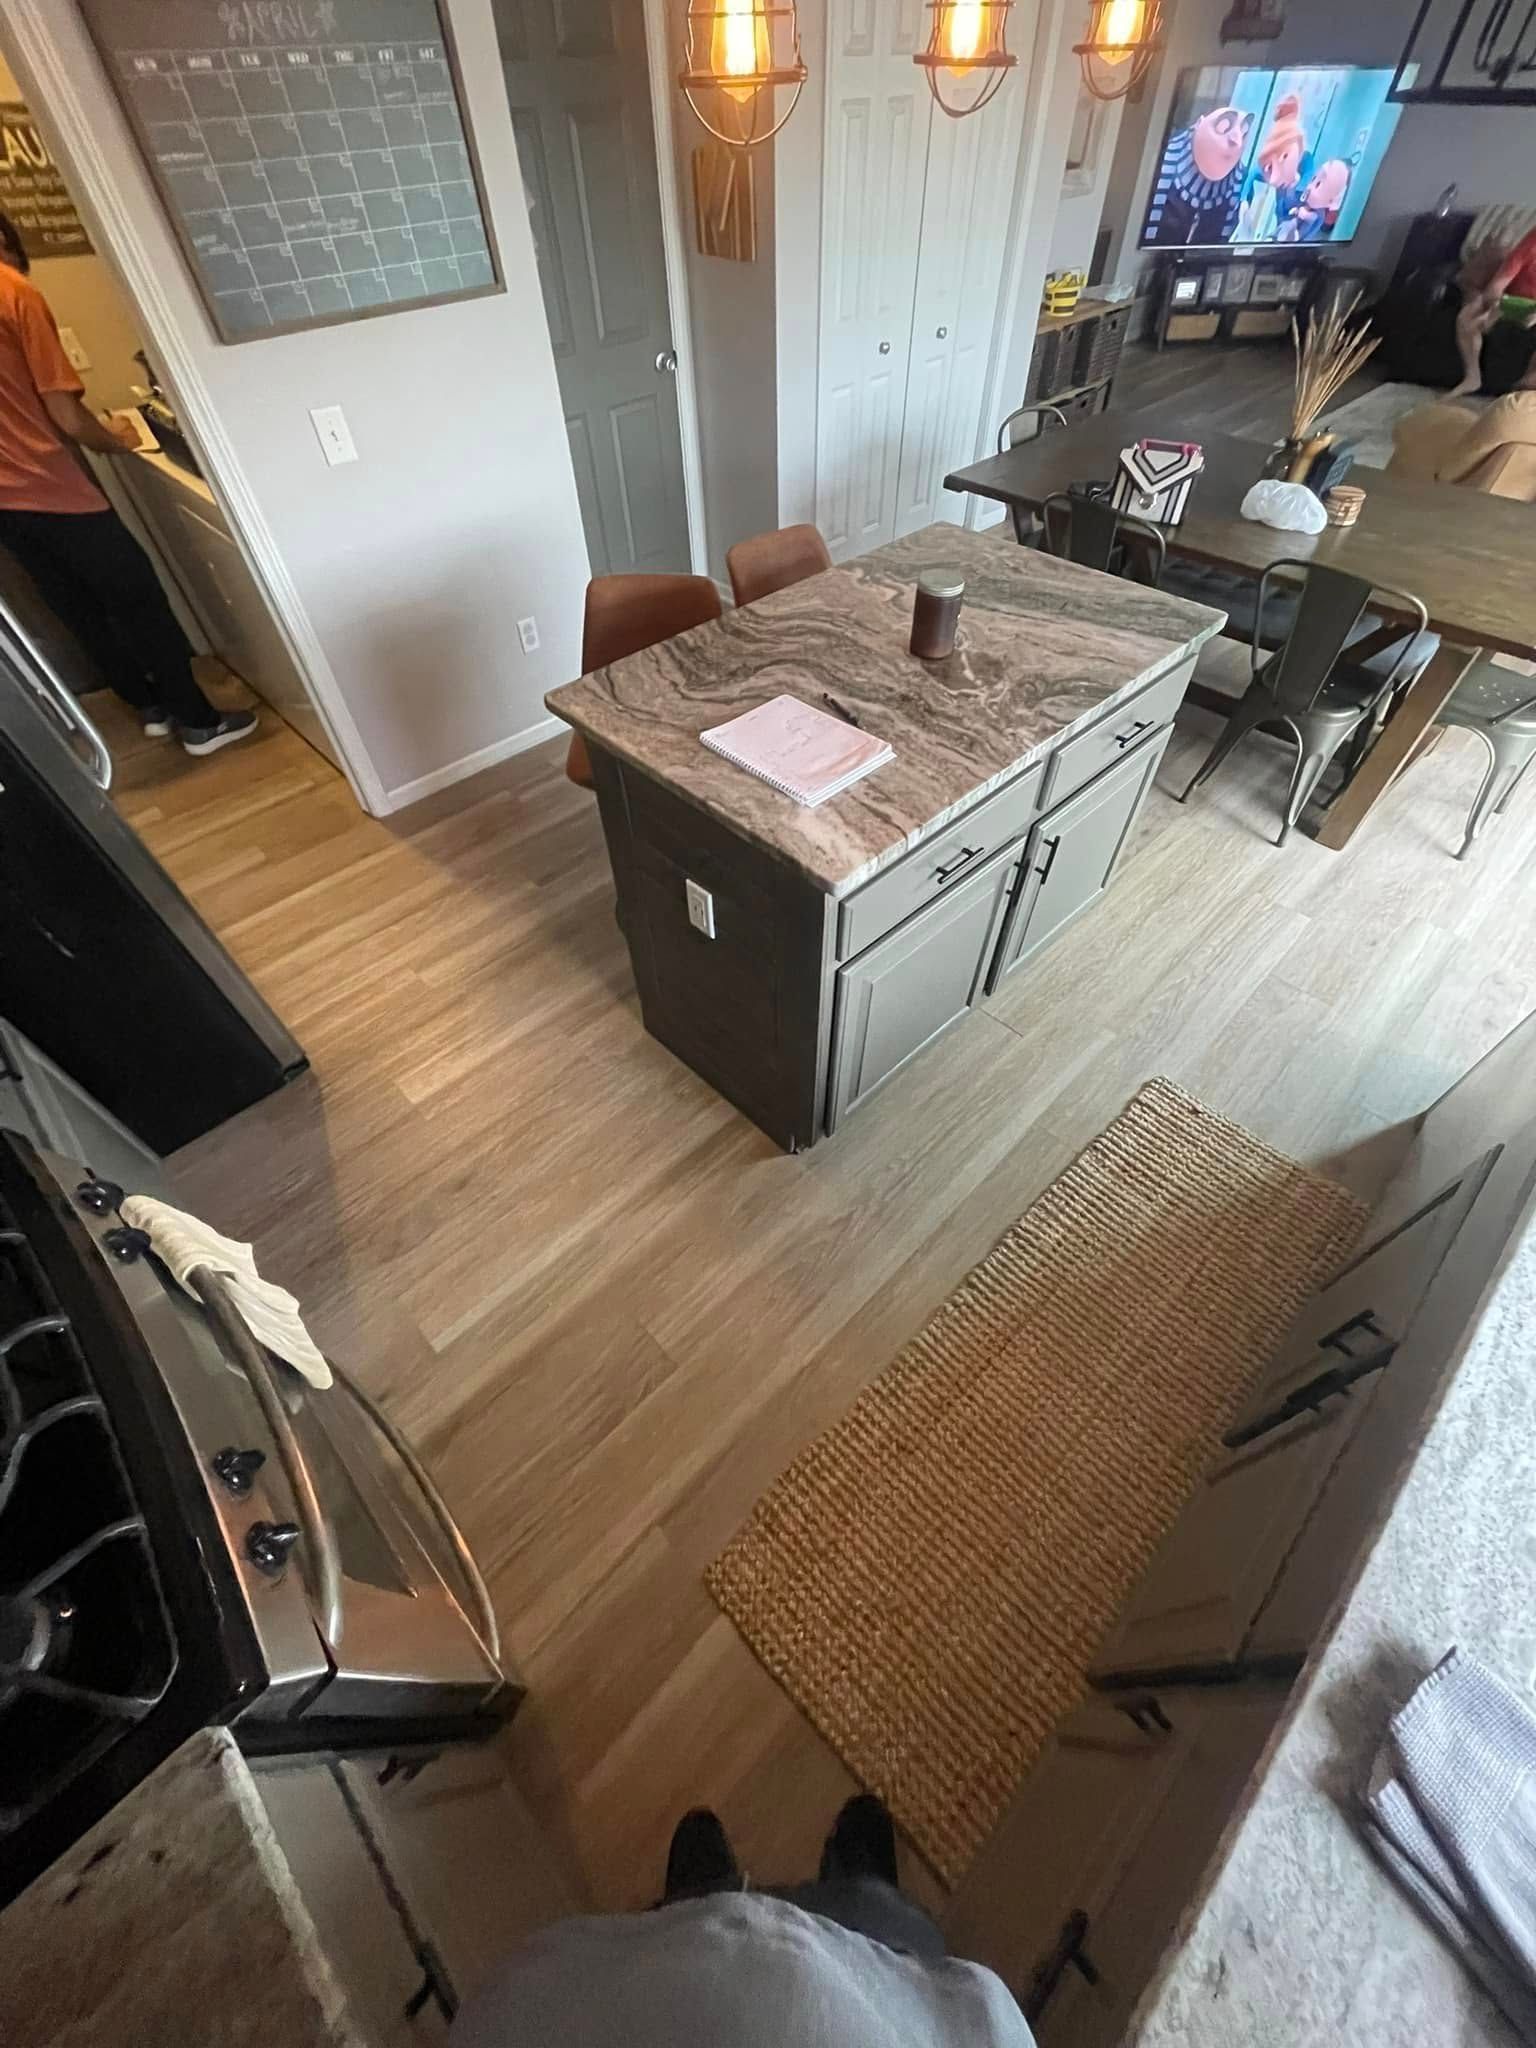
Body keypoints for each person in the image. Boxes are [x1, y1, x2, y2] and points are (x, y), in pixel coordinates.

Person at [451, 1795, 1034, 2045]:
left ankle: (705, 1898)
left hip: (658, 1971)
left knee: (681, 1924)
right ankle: (846, 1882)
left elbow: (515, 1992)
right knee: (888, 1917)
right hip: (878, 1974)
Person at [0, 208, 254, 756]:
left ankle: (150, 706)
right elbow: (68, 418)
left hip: (6, 506)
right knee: (137, 598)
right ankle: (199, 723)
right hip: (52, 487)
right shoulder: (14, 292)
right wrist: (118, 437)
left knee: (76, 607)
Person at [1143, 104, 1254, 248]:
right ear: (1199, 123)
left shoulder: (1242, 188)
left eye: (1244, 132)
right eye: (1224, 125)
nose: (1236, 140)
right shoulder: (1157, 164)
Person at [1450, 227, 1536, 399]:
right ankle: (1472, 378)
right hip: (1510, 301)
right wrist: (1493, 305)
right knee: (1468, 315)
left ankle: (1526, 390)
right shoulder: (1531, 242)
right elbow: (1498, 284)